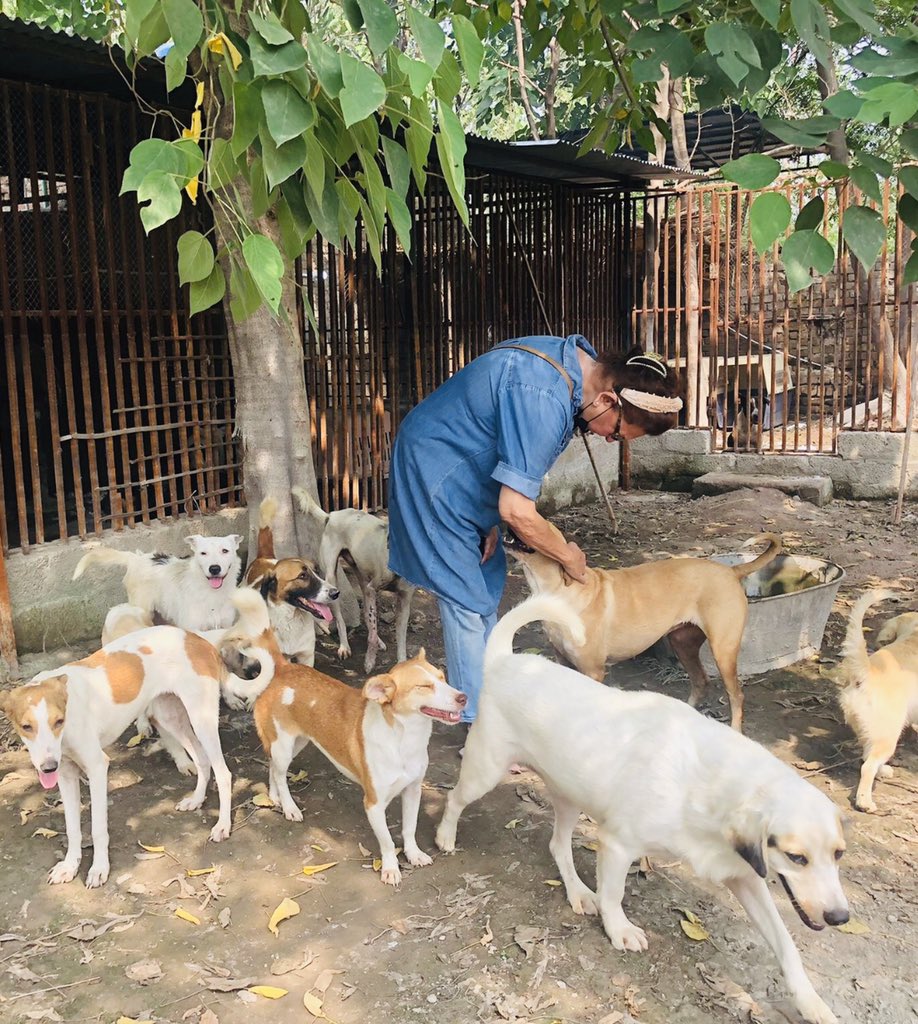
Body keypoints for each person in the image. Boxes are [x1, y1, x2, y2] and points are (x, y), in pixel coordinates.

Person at [387, 333, 684, 730]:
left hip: (467, 474)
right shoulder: (543, 396)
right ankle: (480, 725)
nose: (608, 439)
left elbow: (502, 456)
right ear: (608, 401)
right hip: (434, 471)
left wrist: (489, 517)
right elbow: (518, 510)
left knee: (487, 586)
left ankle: (494, 700)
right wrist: (567, 554)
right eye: (615, 433)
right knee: (466, 602)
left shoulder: (577, 366)